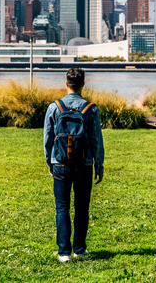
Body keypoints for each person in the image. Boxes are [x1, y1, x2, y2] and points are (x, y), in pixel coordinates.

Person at [43, 67, 104, 263]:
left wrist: (49, 161)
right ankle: (79, 249)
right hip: (84, 164)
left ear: (66, 84)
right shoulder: (90, 109)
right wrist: (99, 165)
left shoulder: (54, 107)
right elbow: (96, 140)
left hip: (60, 163)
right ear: (83, 84)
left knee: (62, 208)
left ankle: (64, 253)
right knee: (82, 208)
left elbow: (47, 138)